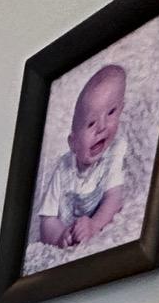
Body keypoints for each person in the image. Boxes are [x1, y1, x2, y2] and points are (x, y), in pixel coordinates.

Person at [36, 62, 129, 250]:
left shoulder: (114, 153)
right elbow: (47, 220)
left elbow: (114, 199)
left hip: (91, 223)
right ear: (73, 142)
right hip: (67, 229)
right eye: (91, 123)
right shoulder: (63, 170)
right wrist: (60, 235)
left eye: (111, 112)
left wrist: (94, 225)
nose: (102, 127)